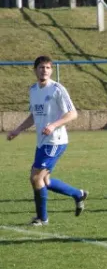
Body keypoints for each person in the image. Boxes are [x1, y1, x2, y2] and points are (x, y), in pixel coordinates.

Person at [6, 55, 88, 226]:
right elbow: (33, 115)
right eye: (41, 67)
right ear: (35, 70)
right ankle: (78, 194)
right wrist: (18, 130)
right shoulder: (33, 90)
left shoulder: (57, 89)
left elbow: (72, 114)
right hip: (42, 141)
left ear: (52, 70)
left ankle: (42, 219)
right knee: (45, 181)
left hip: (55, 141)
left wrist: (53, 125)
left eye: (48, 68)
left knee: (36, 177)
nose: (45, 71)